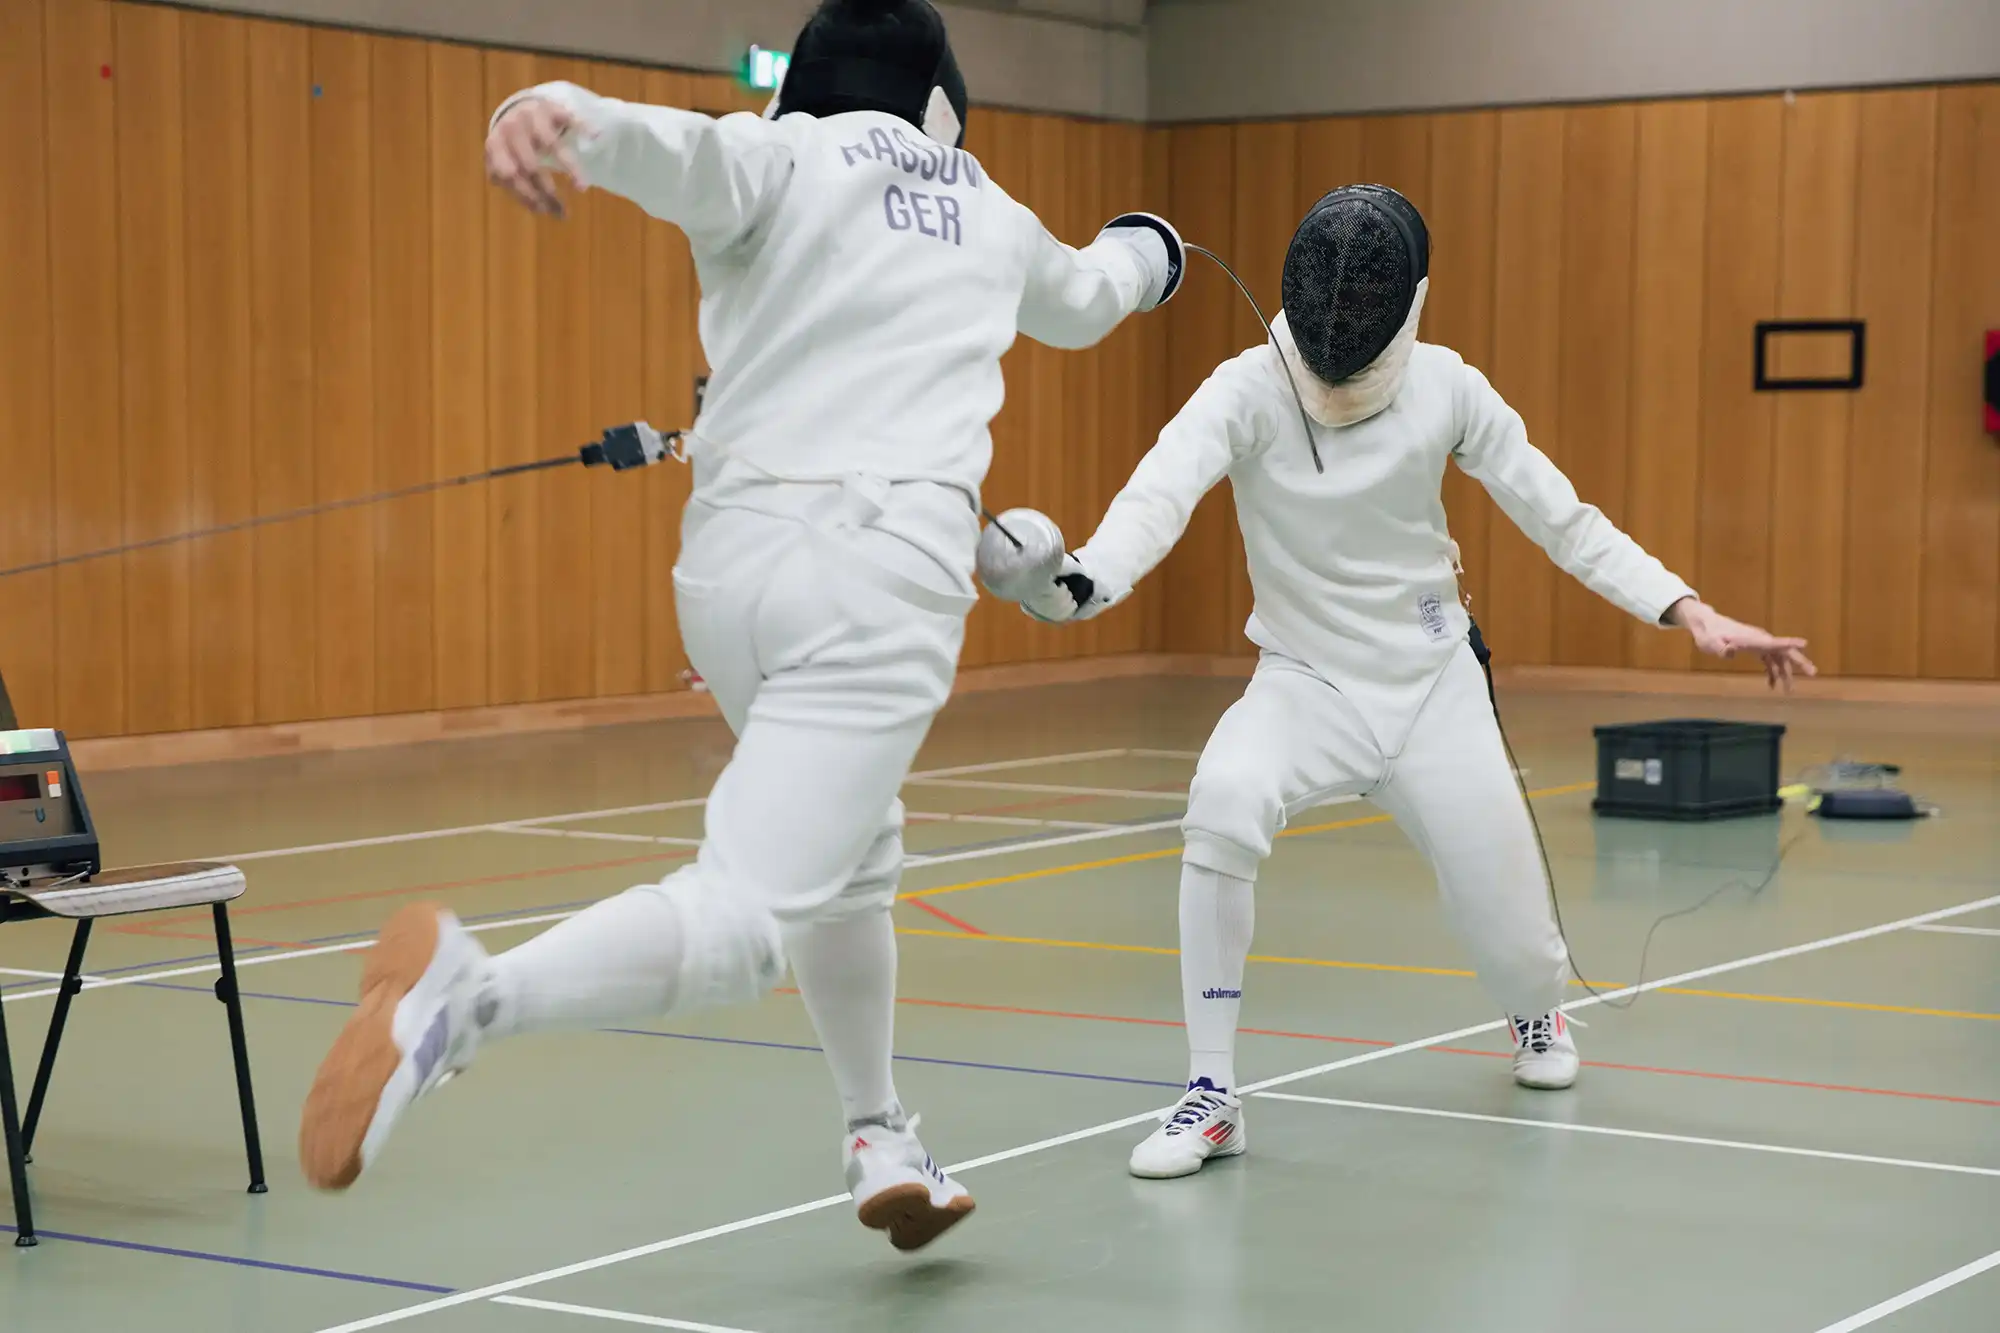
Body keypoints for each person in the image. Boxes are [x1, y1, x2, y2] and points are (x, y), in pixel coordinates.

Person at [298, 0, 1184, 1251]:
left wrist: (549, 115)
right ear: (943, 104)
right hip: (874, 586)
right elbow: (1096, 296)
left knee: (852, 851)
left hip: (727, 581)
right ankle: (468, 1000)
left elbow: (678, 151)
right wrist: (1157, 246)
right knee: (748, 910)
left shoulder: (776, 156)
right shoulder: (986, 207)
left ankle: (879, 1129)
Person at [982, 183, 1814, 1181]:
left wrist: (1685, 607)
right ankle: (1210, 1094)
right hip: (1302, 684)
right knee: (1222, 797)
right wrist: (1067, 587)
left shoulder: (1447, 387)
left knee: (1518, 951)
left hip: (1430, 691)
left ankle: (1531, 1006)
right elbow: (1150, 504)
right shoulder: (1244, 388)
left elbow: (1563, 516)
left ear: (1407, 302)